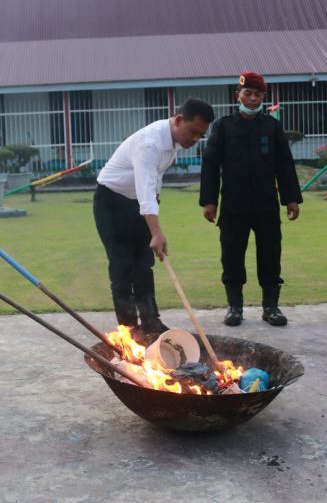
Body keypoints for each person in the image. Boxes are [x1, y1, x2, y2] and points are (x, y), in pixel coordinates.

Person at [94, 98, 214, 337]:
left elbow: (154, 182)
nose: (195, 139)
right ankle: (128, 330)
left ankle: (150, 322)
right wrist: (157, 232)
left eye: (201, 135)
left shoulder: (171, 142)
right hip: (111, 202)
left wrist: (153, 224)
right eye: (193, 132)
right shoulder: (150, 143)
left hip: (136, 203)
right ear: (179, 120)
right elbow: (145, 188)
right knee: (121, 266)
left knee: (144, 264)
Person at [199, 72, 302, 327]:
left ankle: (271, 307)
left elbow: (285, 164)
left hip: (266, 204)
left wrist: (291, 199)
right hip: (234, 204)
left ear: (263, 98)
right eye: (248, 94)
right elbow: (210, 165)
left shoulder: (272, 126)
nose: (253, 99)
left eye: (258, 95)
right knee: (232, 255)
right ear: (238, 96)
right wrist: (209, 201)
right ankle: (235, 307)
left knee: (270, 254)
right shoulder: (223, 126)